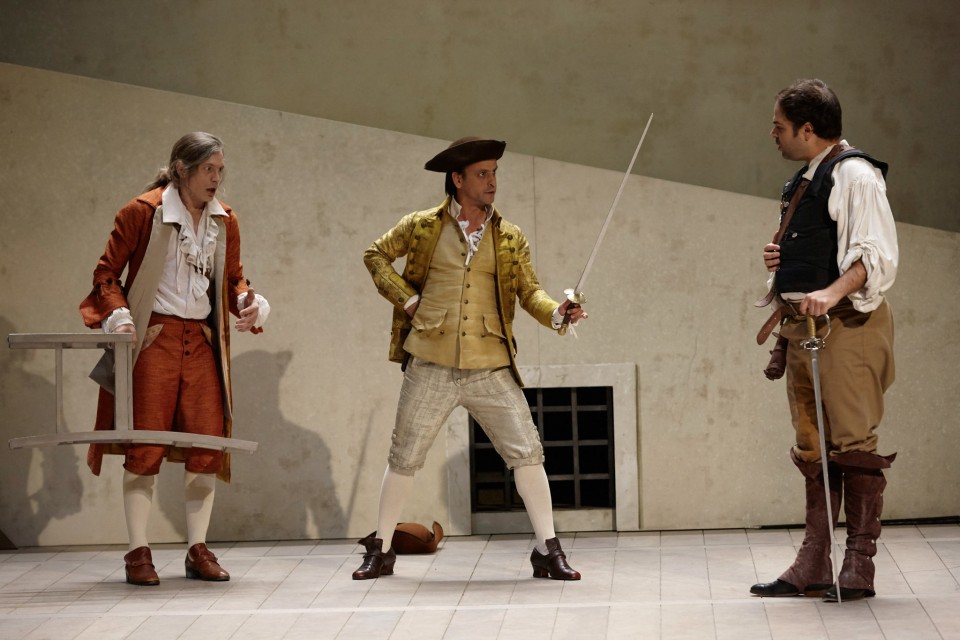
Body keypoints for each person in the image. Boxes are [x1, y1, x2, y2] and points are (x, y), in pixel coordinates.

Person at [357, 137, 586, 581]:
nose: (492, 182)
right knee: (404, 455)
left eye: (495, 173)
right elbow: (375, 255)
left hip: (490, 364)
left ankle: (548, 549)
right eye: (483, 174)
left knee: (528, 453)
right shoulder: (423, 226)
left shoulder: (509, 235)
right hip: (430, 360)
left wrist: (557, 313)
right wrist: (406, 300)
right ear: (457, 179)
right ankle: (381, 549)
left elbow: (530, 292)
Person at [79, 132, 270, 586]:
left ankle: (196, 550)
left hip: (200, 342)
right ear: (182, 169)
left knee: (207, 447)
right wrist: (120, 317)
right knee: (144, 446)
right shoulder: (142, 212)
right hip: (156, 337)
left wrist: (247, 301)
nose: (217, 179)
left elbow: (233, 279)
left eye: (221, 170)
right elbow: (106, 273)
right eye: (209, 169)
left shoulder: (225, 220)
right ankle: (137, 552)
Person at [750, 79, 898, 602]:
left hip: (847, 329)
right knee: (812, 449)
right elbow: (823, 248)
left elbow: (873, 257)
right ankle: (814, 560)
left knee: (853, 446)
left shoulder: (855, 175)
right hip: (803, 331)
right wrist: (783, 265)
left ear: (808, 129)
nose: (772, 133)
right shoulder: (807, 178)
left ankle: (859, 563)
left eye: (779, 125)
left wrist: (829, 292)